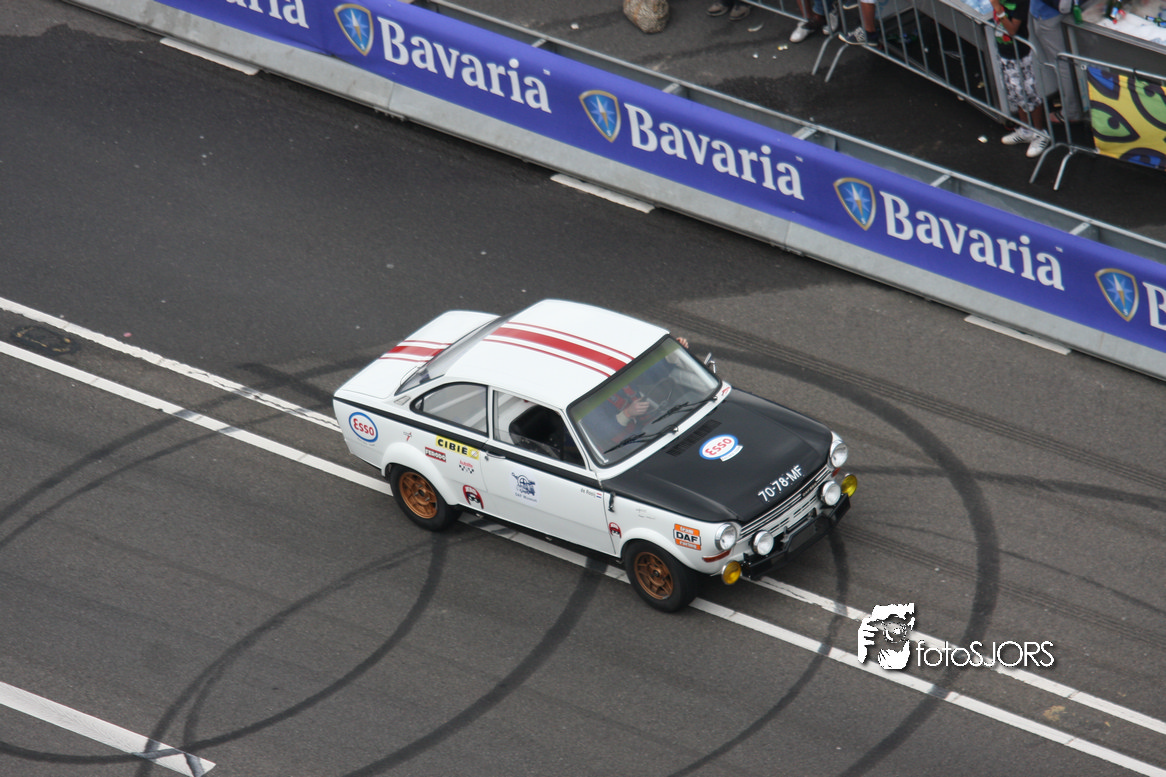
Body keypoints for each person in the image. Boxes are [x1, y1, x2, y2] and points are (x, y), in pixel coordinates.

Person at [992, 0, 1050, 157]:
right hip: (1005, 54)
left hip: (1020, 55)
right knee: (1015, 93)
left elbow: (1012, 30)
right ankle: (1025, 130)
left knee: (1029, 94)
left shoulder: (1021, 2)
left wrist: (998, 9)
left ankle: (1040, 133)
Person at [1029, 0, 1085, 124]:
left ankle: (1072, 111)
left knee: (1062, 64)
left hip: (1050, 14)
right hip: (1076, 8)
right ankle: (1080, 104)